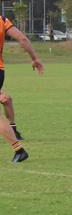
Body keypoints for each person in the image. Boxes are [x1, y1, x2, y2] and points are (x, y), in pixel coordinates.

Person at [0, 15, 44, 162]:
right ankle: (14, 131)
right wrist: (34, 58)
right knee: (5, 99)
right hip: (0, 71)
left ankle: (19, 150)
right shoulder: (2, 20)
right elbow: (23, 39)